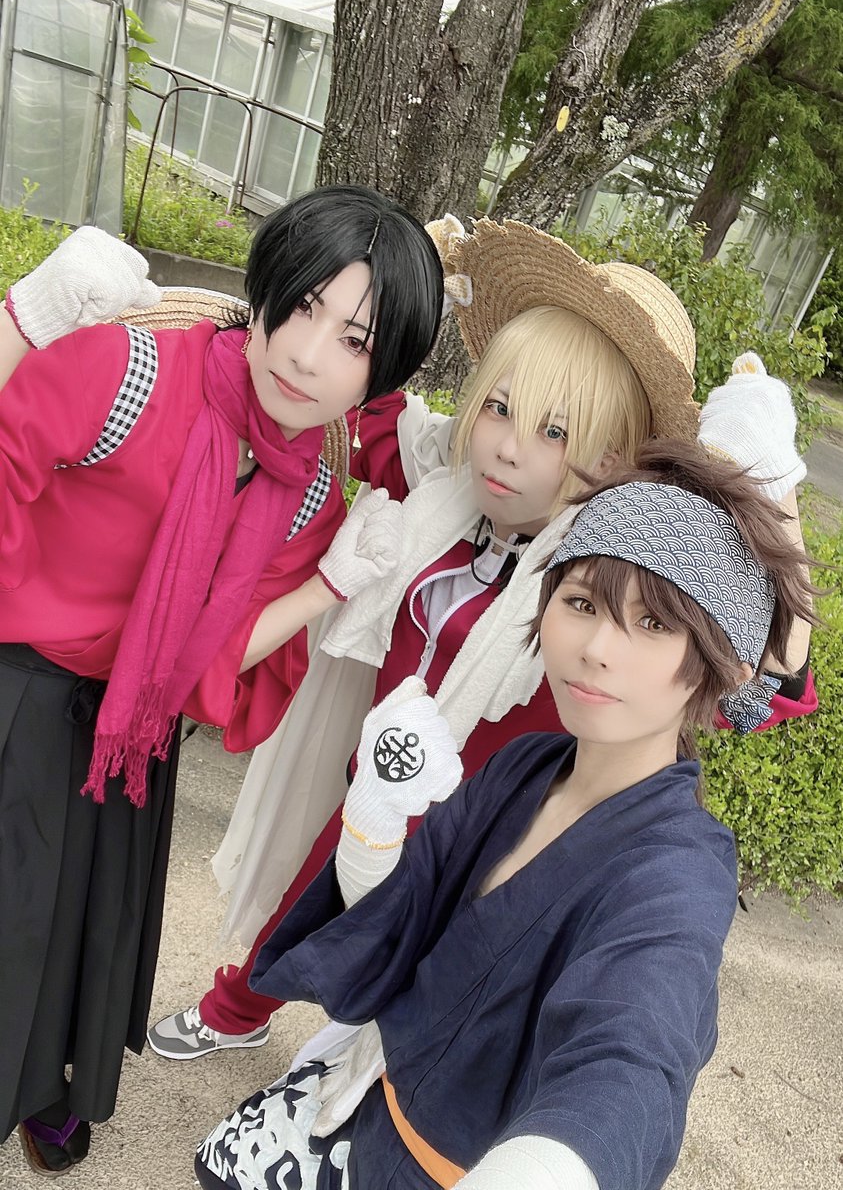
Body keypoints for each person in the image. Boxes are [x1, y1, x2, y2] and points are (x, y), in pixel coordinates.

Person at [148, 218, 816, 1062]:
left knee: (424, 1003)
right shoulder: (440, 485)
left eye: (553, 432)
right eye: (498, 408)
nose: (503, 448)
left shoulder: (613, 576)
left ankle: (363, 1089)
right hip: (375, 782)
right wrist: (404, 285)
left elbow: (757, 687)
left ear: (611, 456)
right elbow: (364, 407)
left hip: (485, 836)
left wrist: (774, 487)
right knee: (310, 894)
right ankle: (239, 1008)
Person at [193, 439, 817, 1190]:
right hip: (364, 1111)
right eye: (581, 603)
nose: (596, 648)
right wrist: (373, 819)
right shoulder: (523, 767)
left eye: (654, 624)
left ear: (726, 664)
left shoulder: (678, 875)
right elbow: (396, 922)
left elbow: (630, 1061)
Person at [0, 185, 444, 1175]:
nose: (307, 355)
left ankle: (42, 1079)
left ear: (381, 373)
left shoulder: (313, 490)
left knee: (80, 925)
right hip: (17, 693)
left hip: (130, 729)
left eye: (355, 341)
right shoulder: (127, 372)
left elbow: (212, 654)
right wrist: (20, 325)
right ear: (267, 286)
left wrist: (330, 584)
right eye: (304, 306)